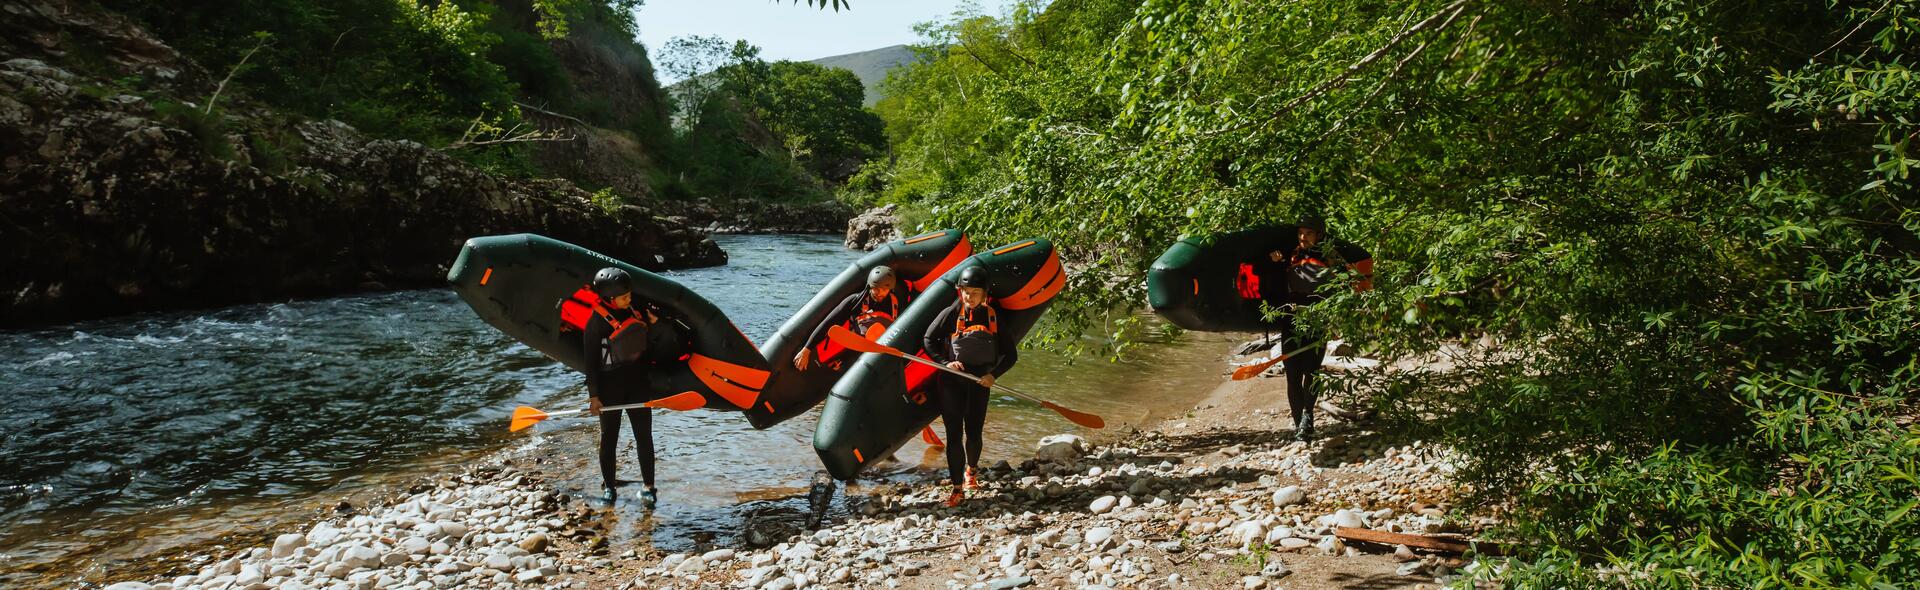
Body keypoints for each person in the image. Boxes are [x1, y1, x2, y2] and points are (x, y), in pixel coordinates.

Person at [1247, 216, 1373, 441]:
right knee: (1293, 374)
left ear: (1319, 236)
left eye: (1309, 233)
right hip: (1292, 318)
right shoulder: (1289, 255)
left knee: (1312, 372)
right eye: (1301, 233)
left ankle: (1308, 414)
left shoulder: (1331, 257)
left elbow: (1356, 266)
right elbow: (1257, 269)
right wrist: (1271, 260)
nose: (1303, 237)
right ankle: (1300, 427)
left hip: (1318, 318)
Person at [922, 266, 1018, 507]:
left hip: (979, 384)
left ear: (985, 294)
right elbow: (928, 340)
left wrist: (993, 375)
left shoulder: (993, 317)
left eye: (975, 292)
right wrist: (946, 363)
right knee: (954, 436)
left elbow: (1011, 355)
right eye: (966, 291)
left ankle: (971, 472)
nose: (970, 296)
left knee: (974, 433)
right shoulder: (950, 314)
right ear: (959, 291)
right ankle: (957, 490)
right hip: (951, 382)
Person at [582, 267, 662, 507]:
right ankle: (609, 487)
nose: (629, 298)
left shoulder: (636, 311)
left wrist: (655, 325)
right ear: (609, 298)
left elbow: (651, 346)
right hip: (609, 388)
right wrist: (594, 396)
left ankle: (649, 487)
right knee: (609, 438)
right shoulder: (596, 323)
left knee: (644, 437)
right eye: (624, 296)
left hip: (638, 384)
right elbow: (590, 362)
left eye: (629, 294)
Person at [795, 265, 906, 371]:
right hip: (858, 351)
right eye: (876, 289)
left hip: (885, 350)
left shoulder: (896, 301)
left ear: (890, 289)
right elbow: (828, 323)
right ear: (870, 286)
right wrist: (807, 349)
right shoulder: (855, 301)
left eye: (884, 289)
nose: (880, 293)